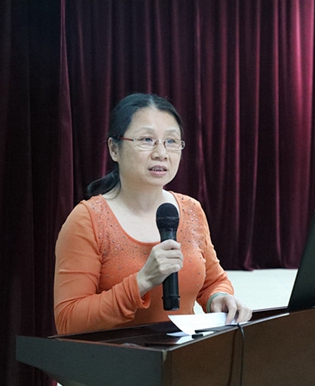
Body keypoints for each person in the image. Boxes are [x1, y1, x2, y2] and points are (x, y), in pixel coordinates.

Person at [54, 93, 252, 335]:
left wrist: (218, 298)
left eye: (171, 141)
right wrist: (142, 282)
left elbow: (213, 282)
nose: (161, 153)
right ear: (114, 149)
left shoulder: (191, 210)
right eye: (147, 140)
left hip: (182, 353)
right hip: (115, 355)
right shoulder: (87, 220)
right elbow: (68, 320)